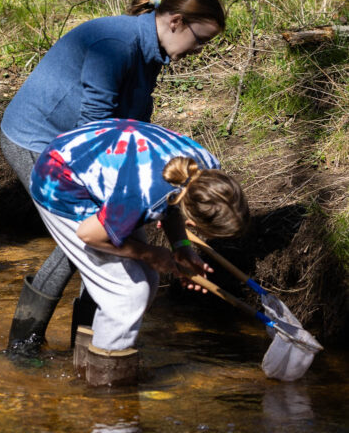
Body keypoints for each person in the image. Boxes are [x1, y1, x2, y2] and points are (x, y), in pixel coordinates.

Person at [1, 0, 226, 354]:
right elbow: (96, 131)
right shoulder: (117, 45)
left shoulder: (151, 50)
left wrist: (176, 238)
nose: (199, 50)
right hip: (36, 138)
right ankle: (23, 344)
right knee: (86, 239)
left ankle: (86, 345)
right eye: (199, 39)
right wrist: (133, 226)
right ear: (175, 22)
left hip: (83, 146)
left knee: (106, 236)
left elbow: (131, 131)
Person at [29, 118, 249, 385]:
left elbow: (173, 199)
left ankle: (89, 367)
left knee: (147, 278)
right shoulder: (145, 197)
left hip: (95, 165)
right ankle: (105, 391)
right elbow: (88, 235)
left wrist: (181, 247)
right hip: (59, 184)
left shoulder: (207, 170)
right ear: (191, 217)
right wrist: (150, 253)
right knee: (127, 295)